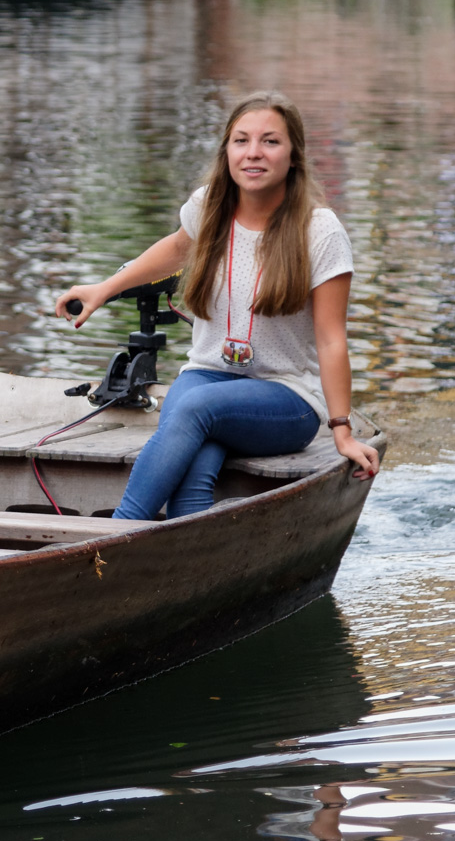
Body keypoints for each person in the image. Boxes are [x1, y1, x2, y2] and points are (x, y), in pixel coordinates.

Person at [54, 93, 379, 521]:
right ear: (227, 150)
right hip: (207, 376)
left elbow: (331, 339)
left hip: (287, 395)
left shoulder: (320, 231)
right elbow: (173, 248)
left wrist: (342, 430)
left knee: (191, 411)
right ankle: (192, 562)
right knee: (198, 454)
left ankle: (114, 537)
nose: (253, 153)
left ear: (294, 155)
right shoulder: (210, 206)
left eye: (270, 142)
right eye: (241, 141)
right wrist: (104, 288)